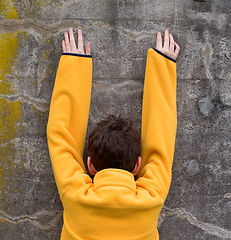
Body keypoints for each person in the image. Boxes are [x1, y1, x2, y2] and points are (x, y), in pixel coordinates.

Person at [47, 28, 180, 240]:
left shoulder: (75, 195)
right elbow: (161, 136)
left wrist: (74, 67)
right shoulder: (151, 199)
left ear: (90, 165)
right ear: (137, 165)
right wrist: (163, 63)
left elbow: (61, 137)